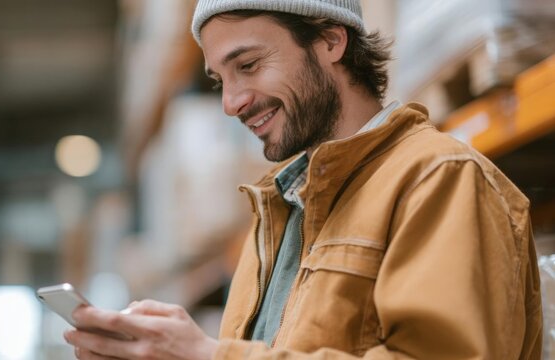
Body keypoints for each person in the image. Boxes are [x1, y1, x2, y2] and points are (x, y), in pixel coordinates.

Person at [63, 0, 543, 358]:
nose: (230, 102)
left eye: (247, 66)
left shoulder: (439, 181)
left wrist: (208, 355)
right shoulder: (273, 215)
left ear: (331, 41)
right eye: (219, 80)